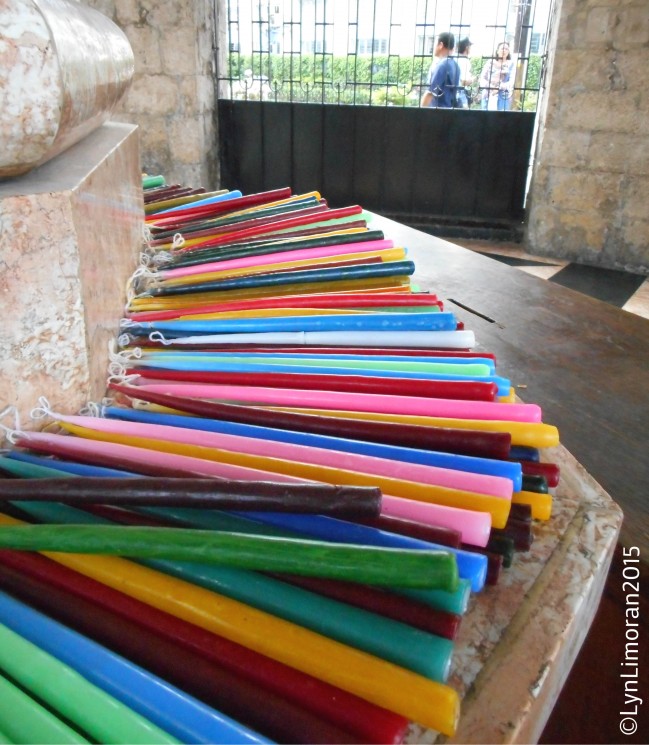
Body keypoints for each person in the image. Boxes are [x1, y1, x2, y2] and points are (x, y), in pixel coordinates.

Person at [420, 32, 460, 109]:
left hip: (438, 111)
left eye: (434, 44)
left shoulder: (442, 65)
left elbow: (430, 93)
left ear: (440, 45)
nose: (433, 48)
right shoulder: (455, 65)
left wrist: (419, 113)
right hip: (449, 110)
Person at [479, 42, 515, 111]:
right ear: (497, 50)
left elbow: (511, 82)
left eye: (506, 49)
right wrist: (491, 87)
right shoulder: (490, 62)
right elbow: (482, 78)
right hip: (488, 94)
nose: (504, 50)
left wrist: (498, 87)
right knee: (485, 118)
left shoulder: (511, 64)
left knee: (501, 119)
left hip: (503, 96)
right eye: (502, 48)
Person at [455, 37, 475, 109]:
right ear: (467, 48)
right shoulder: (464, 61)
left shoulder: (454, 58)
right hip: (460, 93)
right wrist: (473, 79)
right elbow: (464, 82)